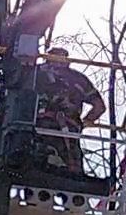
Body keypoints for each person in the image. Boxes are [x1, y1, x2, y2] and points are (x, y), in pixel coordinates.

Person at [34, 46, 105, 178]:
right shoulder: (77, 78)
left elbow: (99, 106)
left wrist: (82, 123)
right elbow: (99, 106)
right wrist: (83, 123)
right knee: (73, 179)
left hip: (39, 128)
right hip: (65, 131)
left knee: (34, 174)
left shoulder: (34, 72)